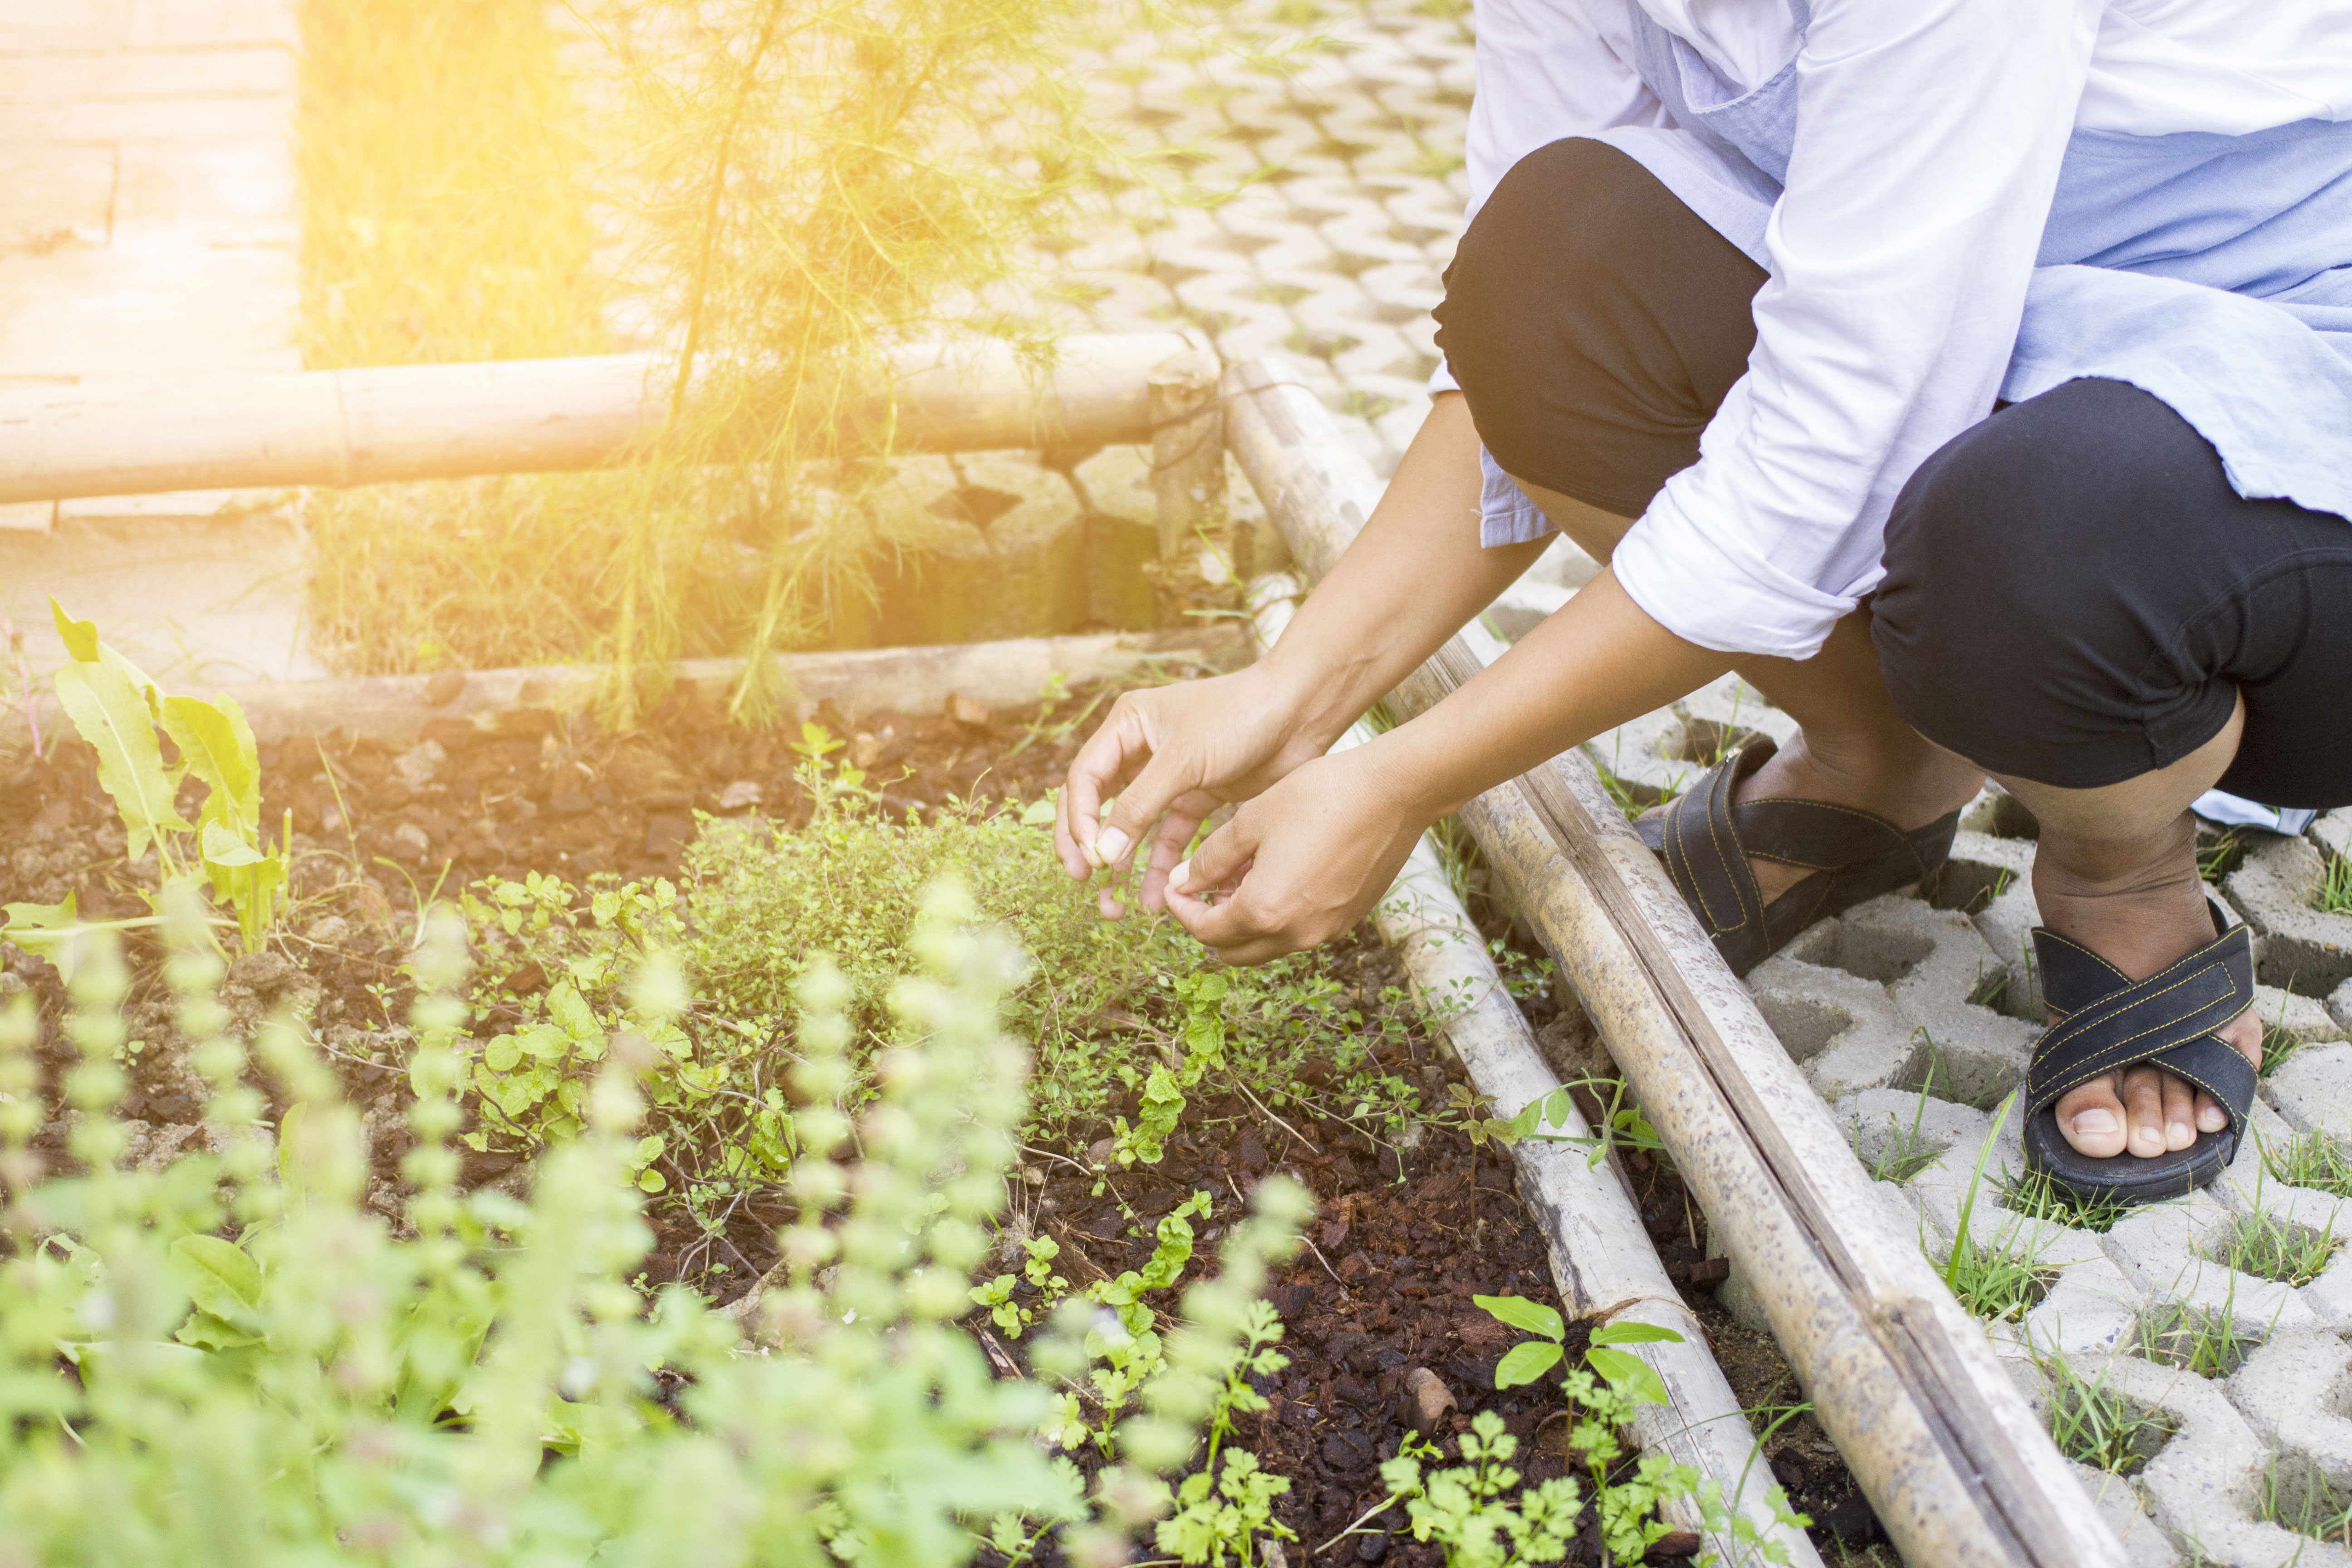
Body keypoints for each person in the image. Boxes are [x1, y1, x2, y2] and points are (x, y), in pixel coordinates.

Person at [1056, 0, 2352, 1206]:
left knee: (2029, 546)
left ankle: (2124, 876)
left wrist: (1402, 779)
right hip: (1981, 323)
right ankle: (1885, 754)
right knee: (1549, 255)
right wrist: (1294, 694)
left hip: (2274, 393)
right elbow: (1523, 325)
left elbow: (1820, 457)